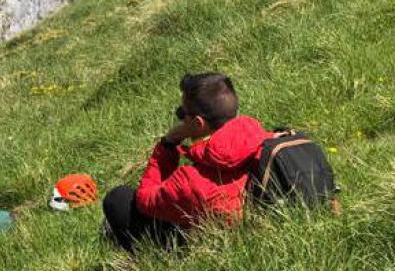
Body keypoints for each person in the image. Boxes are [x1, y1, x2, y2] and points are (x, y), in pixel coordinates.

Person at [102, 72, 274, 251]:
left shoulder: (190, 181)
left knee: (119, 199)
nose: (180, 117)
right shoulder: (264, 138)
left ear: (198, 123)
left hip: (216, 243)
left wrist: (168, 144)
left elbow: (144, 200)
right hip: (252, 225)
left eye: (182, 113)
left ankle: (143, 259)